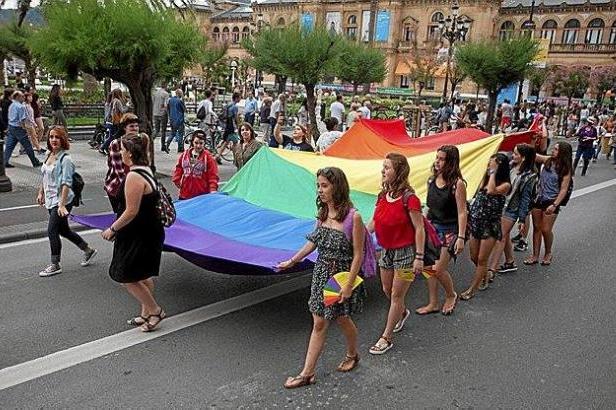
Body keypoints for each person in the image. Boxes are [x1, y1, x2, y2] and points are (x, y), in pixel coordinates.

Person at [277, 167, 367, 388]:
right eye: (318, 185)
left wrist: (347, 285)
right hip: (321, 273)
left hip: (340, 276)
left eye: (324, 185)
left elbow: (358, 254)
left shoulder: (353, 217)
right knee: (320, 321)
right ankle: (309, 372)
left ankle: (350, 355)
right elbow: (313, 242)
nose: (320, 190)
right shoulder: (323, 213)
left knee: (340, 318)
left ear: (337, 187)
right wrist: (293, 260)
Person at [101, 133, 166, 332]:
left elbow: (131, 211)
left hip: (139, 234)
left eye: (122, 149)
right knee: (143, 276)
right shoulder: (146, 170)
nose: (120, 152)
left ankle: (155, 311)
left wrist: (112, 229)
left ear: (129, 153)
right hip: (149, 232)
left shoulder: (134, 176)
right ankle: (146, 313)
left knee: (126, 276)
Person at [367, 153, 425, 355]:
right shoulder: (382, 196)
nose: (383, 171)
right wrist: (360, 236)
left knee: (396, 294)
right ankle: (402, 312)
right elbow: (374, 223)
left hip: (406, 254)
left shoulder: (410, 199)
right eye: (383, 167)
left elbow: (419, 229)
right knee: (386, 289)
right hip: (386, 251)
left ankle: (386, 338)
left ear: (399, 171)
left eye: (387, 167)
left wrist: (419, 257)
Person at [37, 126, 97, 277]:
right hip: (50, 199)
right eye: (51, 137)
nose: (54, 140)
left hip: (62, 200)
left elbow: (66, 183)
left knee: (52, 231)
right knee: (63, 230)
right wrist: (41, 192)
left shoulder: (66, 159)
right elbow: (44, 175)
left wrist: (62, 204)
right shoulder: (49, 154)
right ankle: (88, 250)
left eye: (57, 137)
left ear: (63, 139)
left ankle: (55, 264)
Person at [416, 145, 467, 316]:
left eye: (441, 159)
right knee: (428, 267)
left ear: (450, 162)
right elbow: (429, 206)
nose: (437, 161)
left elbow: (462, 212)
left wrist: (461, 237)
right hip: (432, 228)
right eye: (436, 158)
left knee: (438, 269)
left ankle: (451, 295)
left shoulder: (457, 184)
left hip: (450, 230)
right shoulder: (431, 180)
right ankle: (433, 303)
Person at [461, 153, 511, 300]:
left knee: (482, 259)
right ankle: (484, 273)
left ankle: (472, 289)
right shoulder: (486, 178)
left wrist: (493, 173)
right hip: (477, 222)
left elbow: (491, 191)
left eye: (493, 163)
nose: (489, 166)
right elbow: (480, 189)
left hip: (490, 225)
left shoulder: (505, 184)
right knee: (473, 256)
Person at [488, 144, 537, 275]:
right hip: (500, 205)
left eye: (516, 154)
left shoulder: (530, 176)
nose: (513, 155)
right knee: (505, 235)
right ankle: (510, 262)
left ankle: (491, 270)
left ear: (524, 158)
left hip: (511, 209)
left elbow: (525, 199)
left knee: (500, 236)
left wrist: (522, 219)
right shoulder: (510, 166)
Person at [524, 142, 573, 266]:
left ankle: (548, 252)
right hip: (538, 198)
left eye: (556, 149)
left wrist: (555, 205)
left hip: (551, 201)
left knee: (546, 229)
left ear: (562, 152)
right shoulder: (548, 160)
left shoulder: (565, 169)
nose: (553, 151)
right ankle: (535, 255)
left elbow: (563, 189)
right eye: (554, 148)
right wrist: (530, 142)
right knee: (536, 228)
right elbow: (534, 156)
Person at [104, 113, 140, 214]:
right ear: (125, 128)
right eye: (131, 126)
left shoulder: (141, 142)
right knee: (123, 219)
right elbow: (119, 171)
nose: (135, 128)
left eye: (136, 126)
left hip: (134, 186)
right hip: (117, 187)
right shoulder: (116, 144)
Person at [172, 130, 219, 200]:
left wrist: (213, 189)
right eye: (196, 143)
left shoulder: (208, 157)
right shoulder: (185, 155)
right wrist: (177, 179)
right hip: (184, 194)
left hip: (201, 195)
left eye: (201, 143)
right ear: (192, 142)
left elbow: (213, 176)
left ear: (204, 143)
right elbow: (179, 168)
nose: (198, 146)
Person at [3, 91, 42, 168]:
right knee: (28, 146)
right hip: (18, 128)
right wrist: (25, 129)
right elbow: (22, 121)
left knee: (9, 146)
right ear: (17, 97)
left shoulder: (12, 105)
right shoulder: (20, 107)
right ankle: (35, 162)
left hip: (11, 127)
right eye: (22, 96)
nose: (24, 98)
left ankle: (5, 161)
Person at [99, 89, 127, 154]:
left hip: (112, 121)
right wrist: (128, 107)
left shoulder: (113, 101)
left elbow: (109, 112)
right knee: (114, 136)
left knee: (113, 136)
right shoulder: (118, 101)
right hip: (117, 121)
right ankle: (104, 147)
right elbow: (122, 111)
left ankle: (105, 148)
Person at [216, 92, 241, 164]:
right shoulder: (235, 107)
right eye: (239, 97)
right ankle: (235, 159)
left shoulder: (229, 105)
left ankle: (218, 156)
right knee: (235, 142)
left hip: (227, 125)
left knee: (226, 142)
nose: (240, 99)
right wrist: (238, 125)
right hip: (231, 126)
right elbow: (235, 118)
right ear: (236, 98)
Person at [164, 89, 187, 154]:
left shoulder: (170, 100)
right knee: (180, 134)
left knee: (172, 133)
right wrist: (183, 100)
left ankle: (167, 145)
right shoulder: (180, 101)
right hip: (179, 120)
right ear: (180, 94)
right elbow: (184, 109)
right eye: (182, 93)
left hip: (172, 120)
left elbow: (167, 109)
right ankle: (180, 148)